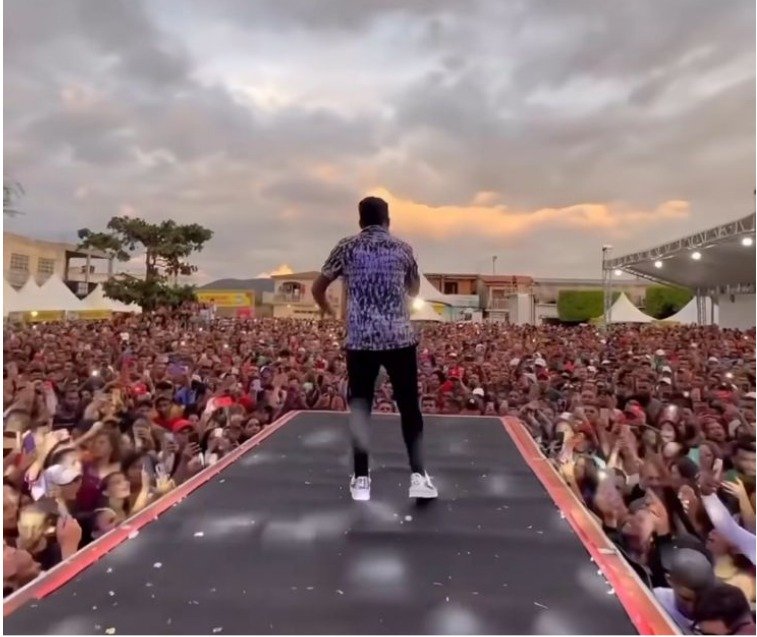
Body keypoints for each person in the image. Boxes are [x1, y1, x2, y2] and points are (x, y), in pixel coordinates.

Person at [312, 196, 437, 501]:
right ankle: (418, 476)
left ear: (360, 222)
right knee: (409, 407)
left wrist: (329, 310)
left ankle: (361, 479)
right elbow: (414, 290)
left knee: (361, 408)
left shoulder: (346, 247)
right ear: (387, 221)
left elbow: (318, 287)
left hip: (361, 339)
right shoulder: (403, 248)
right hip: (398, 337)